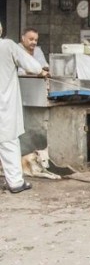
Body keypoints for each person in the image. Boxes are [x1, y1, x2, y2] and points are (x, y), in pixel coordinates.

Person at [0, 22, 48, 193]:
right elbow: (32, 65)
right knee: (9, 141)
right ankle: (15, 182)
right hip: (3, 104)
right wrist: (41, 72)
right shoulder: (7, 46)